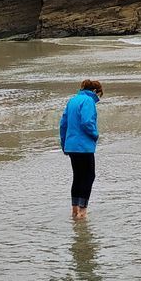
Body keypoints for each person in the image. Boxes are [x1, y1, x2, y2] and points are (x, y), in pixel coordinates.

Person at [59, 78, 102, 220]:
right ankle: (82, 212)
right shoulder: (88, 101)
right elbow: (87, 122)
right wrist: (95, 135)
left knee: (77, 177)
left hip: (71, 145)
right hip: (84, 146)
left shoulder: (72, 100)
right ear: (95, 91)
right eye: (99, 95)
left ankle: (74, 209)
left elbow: (63, 124)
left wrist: (64, 144)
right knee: (89, 176)